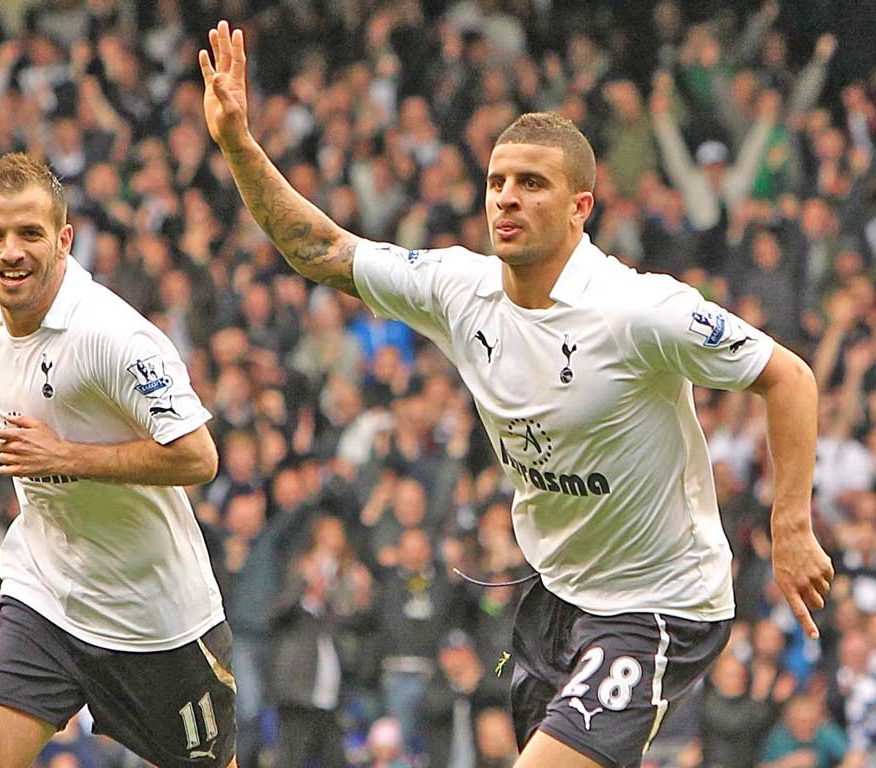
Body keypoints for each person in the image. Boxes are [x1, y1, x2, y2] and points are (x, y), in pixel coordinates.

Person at [199, 20, 834, 768]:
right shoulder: (459, 288)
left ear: (580, 207)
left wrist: (791, 524)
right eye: (497, 181)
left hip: (660, 605)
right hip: (558, 599)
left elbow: (788, 375)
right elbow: (322, 249)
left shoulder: (638, 310)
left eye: (532, 183)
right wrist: (240, 146)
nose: (507, 197)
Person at [0, 153, 237, 768]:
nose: (11, 252)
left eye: (29, 233)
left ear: (64, 239)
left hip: (155, 620)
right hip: (44, 595)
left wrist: (68, 456)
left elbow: (197, 455)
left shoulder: (111, 336)